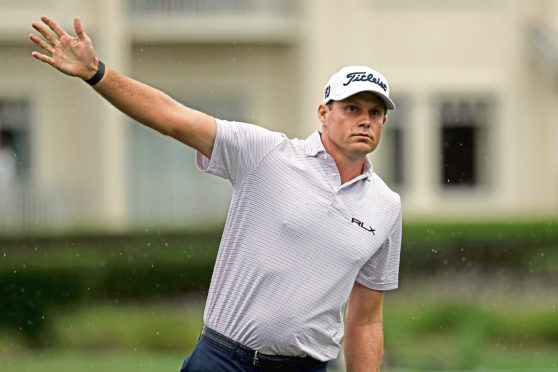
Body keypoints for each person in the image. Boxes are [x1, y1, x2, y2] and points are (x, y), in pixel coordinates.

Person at [30, 16, 402, 372]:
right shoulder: (266, 153)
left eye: (374, 111)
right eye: (352, 108)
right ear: (324, 112)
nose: (365, 120)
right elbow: (172, 117)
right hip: (225, 360)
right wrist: (97, 72)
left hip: (306, 368)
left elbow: (366, 319)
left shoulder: (386, 206)